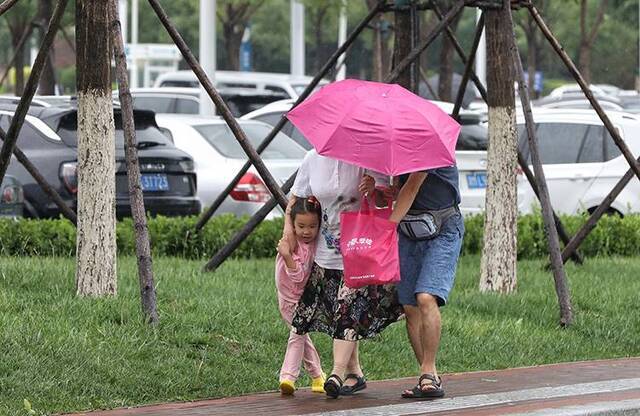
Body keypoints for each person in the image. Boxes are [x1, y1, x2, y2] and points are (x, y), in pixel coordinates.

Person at [285, 150, 403, 399]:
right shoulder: (311, 158)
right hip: (324, 252)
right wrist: (289, 234)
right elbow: (296, 200)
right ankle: (355, 372)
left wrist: (375, 190)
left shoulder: (368, 159)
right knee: (334, 313)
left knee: (347, 312)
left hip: (358, 252)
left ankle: (336, 373)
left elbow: (385, 202)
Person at [387, 166, 465, 399]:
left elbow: (411, 187)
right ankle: (428, 377)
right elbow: (402, 190)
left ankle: (428, 371)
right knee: (410, 307)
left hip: (444, 228)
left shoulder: (429, 144)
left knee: (425, 296)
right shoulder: (401, 147)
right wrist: (383, 193)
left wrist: (387, 229)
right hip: (411, 228)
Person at [275, 196, 326, 395]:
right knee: (299, 334)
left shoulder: (316, 244)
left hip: (304, 298)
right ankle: (301, 376)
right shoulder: (290, 243)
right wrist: (287, 256)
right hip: (288, 299)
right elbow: (296, 277)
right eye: (301, 226)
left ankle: (297, 377)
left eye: (313, 226)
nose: (306, 231)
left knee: (299, 334)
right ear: (292, 225)